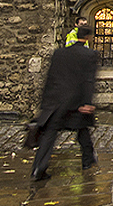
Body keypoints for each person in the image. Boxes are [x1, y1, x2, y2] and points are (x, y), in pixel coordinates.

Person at [31, 24, 99, 181]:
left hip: (56, 101)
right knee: (82, 130)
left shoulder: (59, 53)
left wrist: (46, 102)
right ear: (88, 38)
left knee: (50, 135)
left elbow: (50, 77)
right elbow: (88, 80)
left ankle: (39, 167)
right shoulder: (90, 55)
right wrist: (87, 102)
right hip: (76, 102)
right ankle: (88, 161)